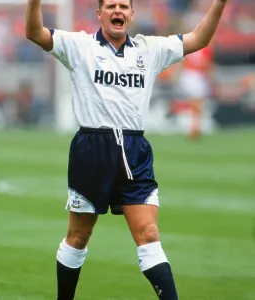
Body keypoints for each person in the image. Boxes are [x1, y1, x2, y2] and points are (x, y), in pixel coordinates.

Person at [25, 0, 228, 299]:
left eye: (123, 6)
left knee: (148, 235)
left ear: (132, 14)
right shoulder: (79, 45)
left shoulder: (150, 49)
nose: (117, 10)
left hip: (135, 152)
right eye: (110, 6)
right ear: (100, 13)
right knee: (78, 236)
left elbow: (200, 38)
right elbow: (34, 32)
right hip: (91, 150)